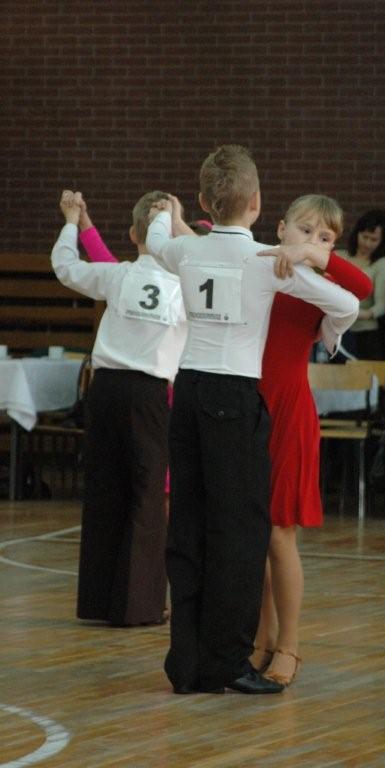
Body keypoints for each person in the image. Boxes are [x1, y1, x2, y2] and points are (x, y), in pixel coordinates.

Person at [146, 144, 360, 695]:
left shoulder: (186, 252)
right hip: (235, 397)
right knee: (241, 534)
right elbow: (350, 307)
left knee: (189, 527)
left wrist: (162, 216)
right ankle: (228, 661)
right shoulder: (265, 260)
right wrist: (306, 264)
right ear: (260, 204)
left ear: (201, 201)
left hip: (186, 389)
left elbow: (155, 242)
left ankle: (186, 663)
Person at [248, 195, 372, 686]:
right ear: (280, 228)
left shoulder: (325, 294)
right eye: (305, 230)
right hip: (244, 409)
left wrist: (312, 256)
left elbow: (359, 285)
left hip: (289, 411)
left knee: (280, 532)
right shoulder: (257, 263)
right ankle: (262, 636)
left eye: (326, 238)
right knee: (253, 533)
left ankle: (291, 646)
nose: (314, 242)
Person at [52, 190, 186, 626]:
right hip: (149, 396)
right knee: (147, 497)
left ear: (132, 233)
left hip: (105, 389)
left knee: (105, 490)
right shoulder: (187, 289)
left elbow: (65, 267)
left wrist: (73, 221)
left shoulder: (118, 275)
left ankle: (96, 600)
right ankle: (138, 606)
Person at [335, 210, 385, 359]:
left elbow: (381, 306)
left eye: (373, 239)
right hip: (336, 328)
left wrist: (362, 314)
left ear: (382, 241)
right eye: (364, 237)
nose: (367, 243)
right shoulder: (340, 256)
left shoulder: (381, 265)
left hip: (364, 332)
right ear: (357, 233)